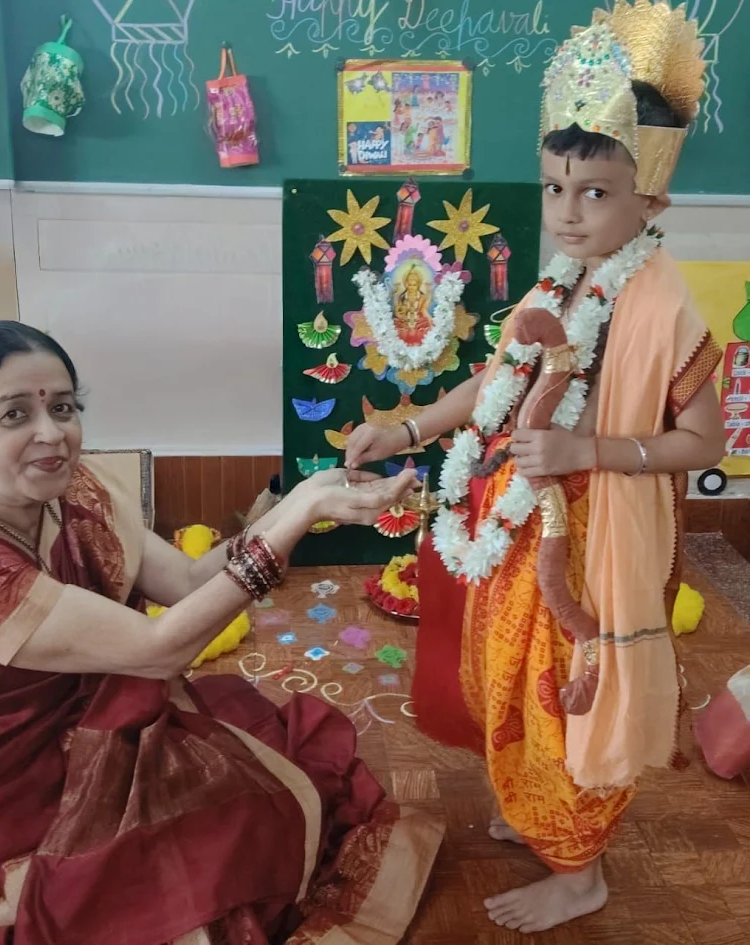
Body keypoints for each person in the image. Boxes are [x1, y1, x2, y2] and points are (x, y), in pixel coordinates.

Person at [0, 321, 443, 945]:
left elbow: (189, 582)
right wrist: (292, 522)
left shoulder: (68, 488)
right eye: (14, 415)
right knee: (197, 873)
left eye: (62, 407)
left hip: (74, 725)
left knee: (257, 794)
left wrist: (297, 502)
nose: (50, 432)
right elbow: (160, 652)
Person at [345, 2, 725, 934]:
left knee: (574, 692)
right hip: (524, 517)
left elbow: (705, 442)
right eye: (555, 187)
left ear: (652, 200)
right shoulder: (566, 277)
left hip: (599, 543)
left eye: (595, 192)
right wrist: (407, 428)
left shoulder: (663, 300)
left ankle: (583, 868)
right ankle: (540, 815)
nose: (566, 211)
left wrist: (585, 451)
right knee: (511, 675)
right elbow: (500, 375)